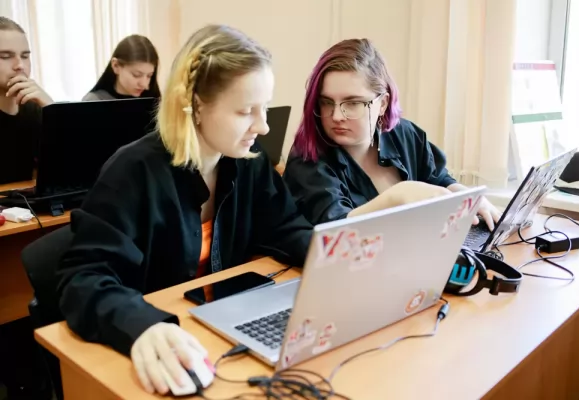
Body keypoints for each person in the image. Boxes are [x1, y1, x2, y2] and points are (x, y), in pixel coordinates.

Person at [56, 25, 313, 395]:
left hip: (220, 329)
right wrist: (142, 326)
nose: (263, 126)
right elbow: (83, 279)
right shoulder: (130, 172)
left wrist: (336, 256)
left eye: (265, 107)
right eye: (245, 111)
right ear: (196, 105)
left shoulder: (249, 159)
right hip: (167, 343)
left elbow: (286, 226)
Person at [283, 38, 501, 230]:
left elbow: (437, 178)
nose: (337, 115)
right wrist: (397, 196)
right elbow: (335, 232)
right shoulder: (306, 159)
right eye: (326, 102)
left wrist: (467, 196)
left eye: (353, 103)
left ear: (383, 103)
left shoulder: (404, 134)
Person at [0, 17, 53, 183]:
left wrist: (52, 110)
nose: (20, 65)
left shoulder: (34, 107)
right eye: (5, 56)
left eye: (25, 56)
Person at [82, 34, 160, 101]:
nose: (144, 85)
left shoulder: (155, 103)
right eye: (136, 75)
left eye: (149, 76)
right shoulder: (93, 101)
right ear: (116, 65)